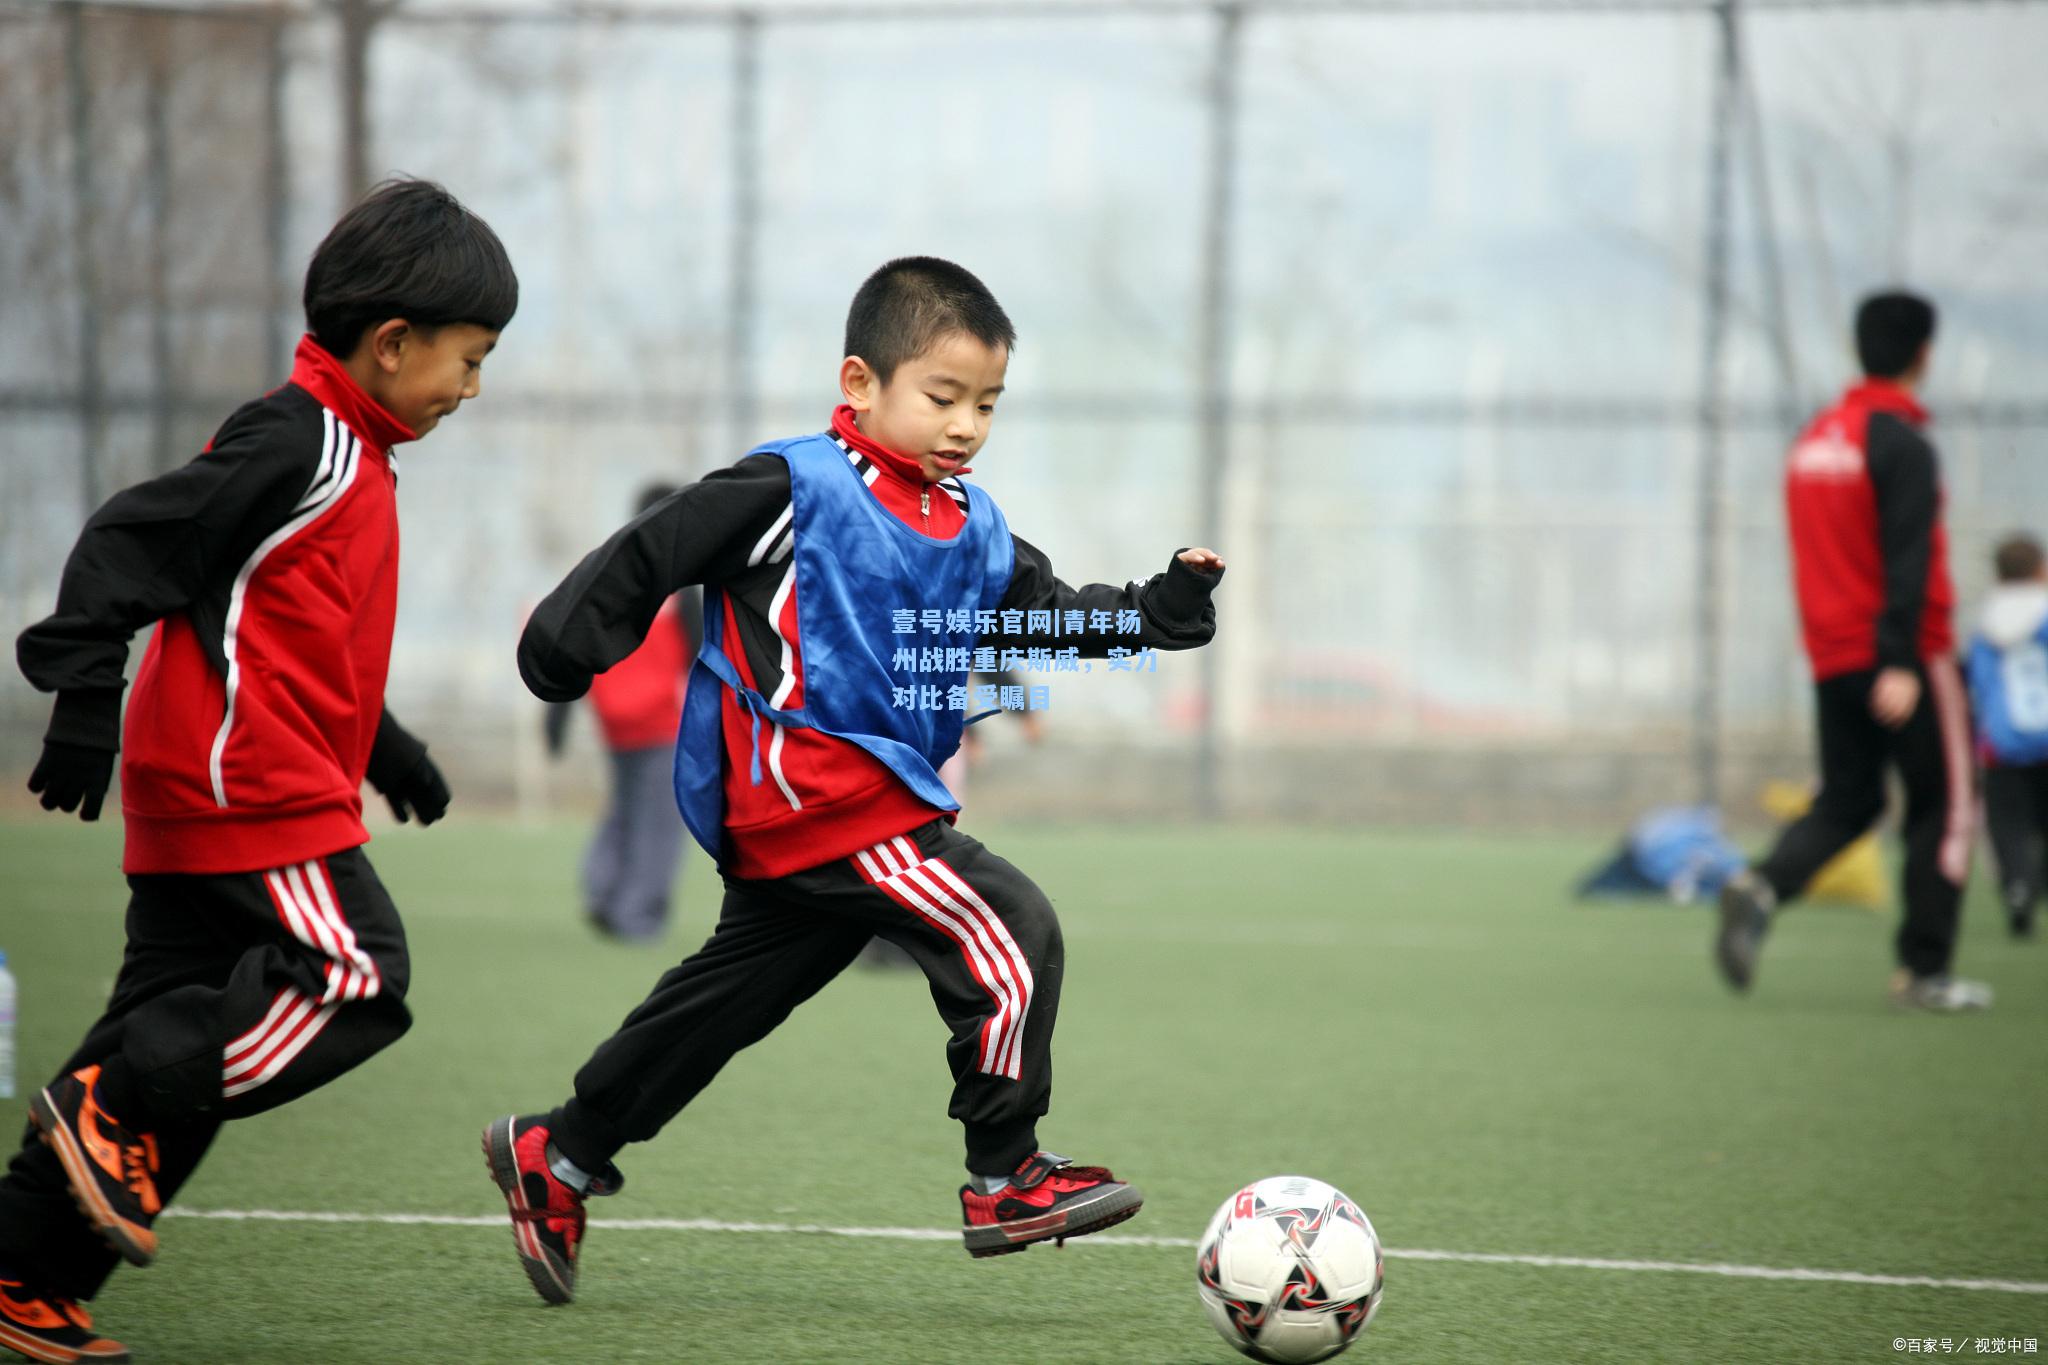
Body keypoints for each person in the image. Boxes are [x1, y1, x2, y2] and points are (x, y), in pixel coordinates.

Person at [483, 256, 1225, 1304]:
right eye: (942, 396)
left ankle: (557, 1154)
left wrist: (1154, 612)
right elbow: (657, 549)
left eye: (986, 403)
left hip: (837, 815)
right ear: (861, 383)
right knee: (1008, 928)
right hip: (812, 790)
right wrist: (567, 643)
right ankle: (1004, 1174)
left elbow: (1041, 609)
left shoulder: (968, 524)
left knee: (721, 1006)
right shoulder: (794, 487)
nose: (965, 423)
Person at [0, 179, 514, 1364]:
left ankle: (26, 1274)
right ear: (391, 344)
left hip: (230, 786)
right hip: (253, 793)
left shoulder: (354, 456)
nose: (472, 389)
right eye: (468, 359)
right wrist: (84, 692)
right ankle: (111, 1105)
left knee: (164, 1035)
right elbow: (136, 540)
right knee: (358, 979)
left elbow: (290, 633)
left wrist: (387, 748)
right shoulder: (301, 440)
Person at [1715, 289, 1990, 1011]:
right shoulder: (1901, 443)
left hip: (1832, 653)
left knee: (1850, 799)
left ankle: (1762, 885)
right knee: (1946, 806)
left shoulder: (1812, 441)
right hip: (1907, 656)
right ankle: (1924, 971)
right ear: (1924, 354)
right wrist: (1901, 656)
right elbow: (1907, 559)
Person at [544, 483, 703, 942]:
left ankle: (603, 889)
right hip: (664, 722)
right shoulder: (678, 584)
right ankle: (636, 915)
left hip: (615, 721)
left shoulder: (607, 576)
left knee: (626, 810)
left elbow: (573, 645)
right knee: (660, 823)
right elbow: (700, 656)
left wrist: (557, 717)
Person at [1965, 532, 2048, 940]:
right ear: (2040, 570)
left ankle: (2018, 885)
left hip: (2004, 744)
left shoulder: (1986, 624)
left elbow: (1978, 684)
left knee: (2009, 827)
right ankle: (2037, 882)